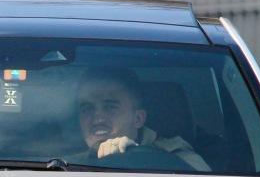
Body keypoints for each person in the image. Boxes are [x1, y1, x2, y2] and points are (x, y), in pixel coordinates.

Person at [70, 67, 209, 171]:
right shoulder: (64, 165)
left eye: (110, 106)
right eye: (87, 108)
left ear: (138, 119)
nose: (97, 118)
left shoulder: (178, 159)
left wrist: (137, 157)